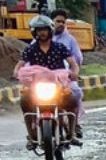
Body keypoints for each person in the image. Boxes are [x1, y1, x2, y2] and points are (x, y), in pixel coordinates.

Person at [14, 15, 81, 149]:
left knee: (73, 100)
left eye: (44, 29)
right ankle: (32, 136)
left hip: (58, 85)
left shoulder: (60, 47)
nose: (42, 33)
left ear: (50, 30)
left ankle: (71, 133)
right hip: (37, 86)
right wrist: (16, 72)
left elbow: (73, 63)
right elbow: (20, 64)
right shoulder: (30, 49)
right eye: (39, 30)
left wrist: (75, 73)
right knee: (24, 101)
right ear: (34, 32)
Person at [49, 9, 84, 137]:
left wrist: (74, 73)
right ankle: (33, 131)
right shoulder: (39, 40)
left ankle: (73, 125)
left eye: (63, 22)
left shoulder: (69, 40)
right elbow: (27, 61)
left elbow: (76, 60)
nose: (61, 24)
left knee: (76, 92)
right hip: (43, 81)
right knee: (27, 97)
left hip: (64, 78)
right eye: (58, 21)